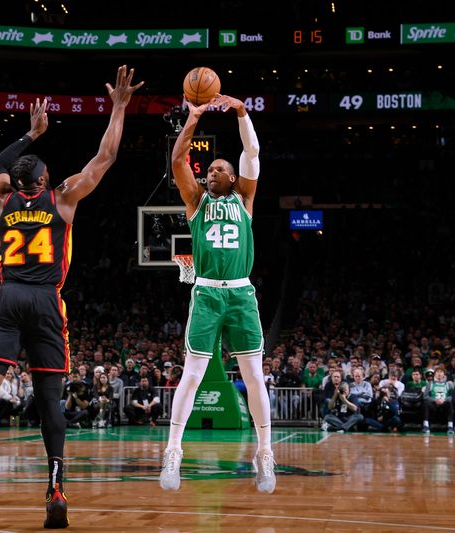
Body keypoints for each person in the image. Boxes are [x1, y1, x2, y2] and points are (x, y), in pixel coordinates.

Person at [0, 65, 142, 530]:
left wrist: (29, 135)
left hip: (9, 295)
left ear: (16, 185)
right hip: (45, 301)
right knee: (50, 399)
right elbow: (106, 156)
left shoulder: (1, 198)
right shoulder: (64, 197)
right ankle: (55, 489)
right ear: (45, 179)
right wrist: (117, 108)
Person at [160, 93, 276, 494]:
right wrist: (191, 119)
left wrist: (242, 113)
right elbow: (178, 162)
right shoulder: (196, 201)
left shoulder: (245, 199)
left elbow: (253, 151)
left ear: (233, 178)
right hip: (207, 292)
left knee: (254, 376)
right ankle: (173, 450)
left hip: (242, 294)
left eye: (220, 168)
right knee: (191, 376)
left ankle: (264, 452)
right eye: (209, 169)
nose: (212, 172)